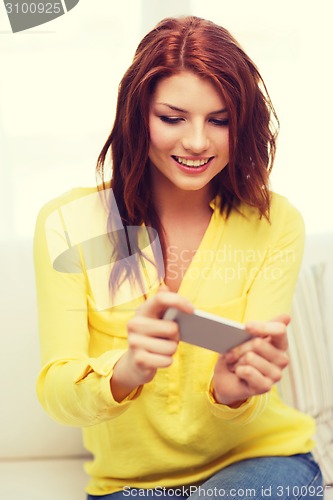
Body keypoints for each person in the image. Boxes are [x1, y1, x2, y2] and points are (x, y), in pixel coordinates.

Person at [34, 16, 323, 500]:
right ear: (137, 115)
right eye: (172, 118)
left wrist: (235, 391)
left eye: (220, 119)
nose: (196, 142)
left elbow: (252, 387)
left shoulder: (275, 222)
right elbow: (57, 392)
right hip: (130, 486)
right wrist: (126, 372)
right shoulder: (68, 223)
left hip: (262, 463)